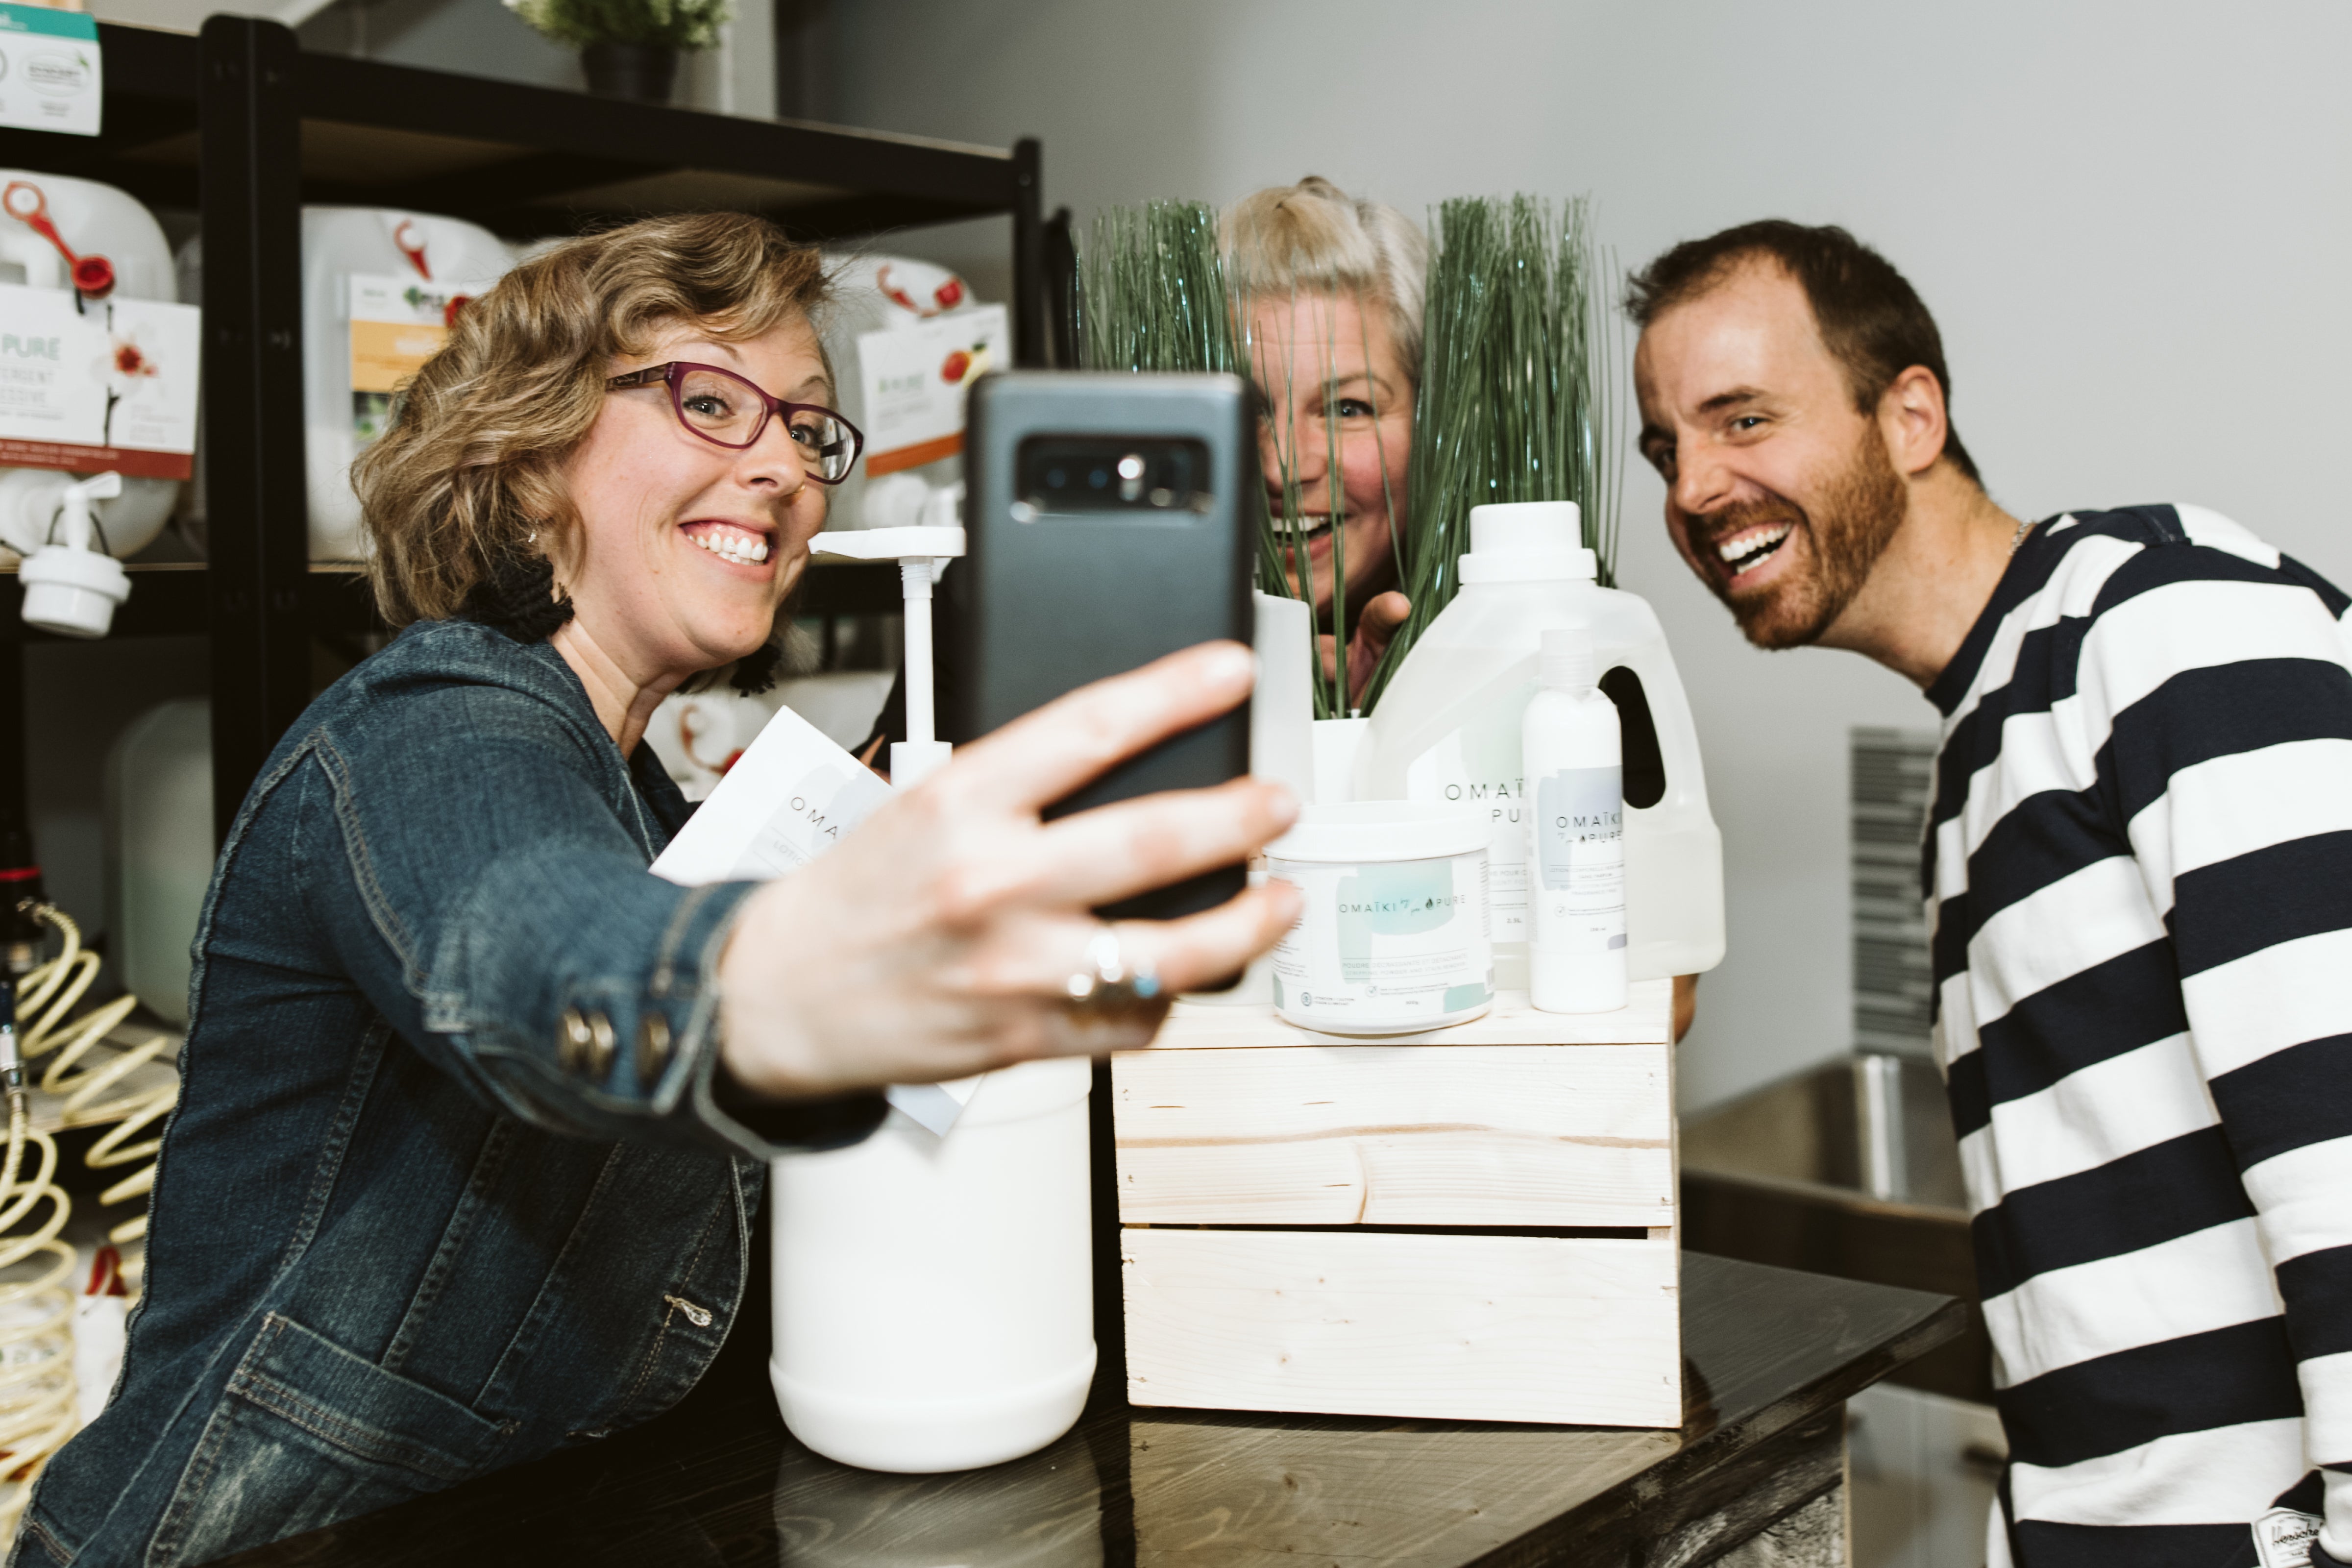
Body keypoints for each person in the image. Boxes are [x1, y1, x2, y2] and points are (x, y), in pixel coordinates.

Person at [12, 213, 1300, 1568]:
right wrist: (772, 993)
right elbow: (533, 952)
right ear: (529, 447)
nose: (782, 469)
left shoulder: (647, 797)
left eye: (809, 430)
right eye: (707, 401)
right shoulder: (422, 729)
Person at [1626, 220, 2352, 1568]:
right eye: (1668, 446)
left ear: (1909, 416)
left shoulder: (2165, 630)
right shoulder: (1979, 755)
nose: (1695, 486)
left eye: (1742, 419)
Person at [1221, 176, 1422, 707]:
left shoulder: (1554, 620)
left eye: (1347, 408)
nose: (1282, 468)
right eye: (1248, 408)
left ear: (1435, 421)